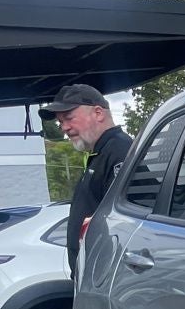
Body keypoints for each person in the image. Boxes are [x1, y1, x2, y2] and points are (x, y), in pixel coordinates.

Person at [39, 84, 132, 280]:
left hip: (108, 278)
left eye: (69, 118)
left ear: (98, 113)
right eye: (60, 122)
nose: (64, 128)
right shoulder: (101, 153)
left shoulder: (120, 151)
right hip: (94, 277)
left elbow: (127, 222)